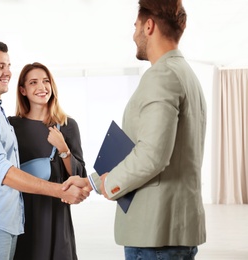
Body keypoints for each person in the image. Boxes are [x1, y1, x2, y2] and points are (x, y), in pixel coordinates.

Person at [63, 0, 207, 259]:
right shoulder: (186, 75)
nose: (133, 35)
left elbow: (152, 155)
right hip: (172, 232)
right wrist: (93, 183)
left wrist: (111, 184)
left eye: (136, 26)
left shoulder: (161, 76)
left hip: (155, 234)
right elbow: (151, 151)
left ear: (149, 26)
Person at [0, 40, 89, 260]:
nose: (7, 71)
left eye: (8, 65)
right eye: (0, 66)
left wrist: (63, 150)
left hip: (14, 220)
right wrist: (60, 190)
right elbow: (3, 170)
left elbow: (78, 174)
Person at [8, 62, 87, 260]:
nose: (41, 87)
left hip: (56, 215)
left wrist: (64, 149)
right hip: (21, 214)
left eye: (45, 81)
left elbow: (79, 175)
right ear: (23, 90)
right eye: (33, 82)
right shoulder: (11, 126)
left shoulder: (67, 125)